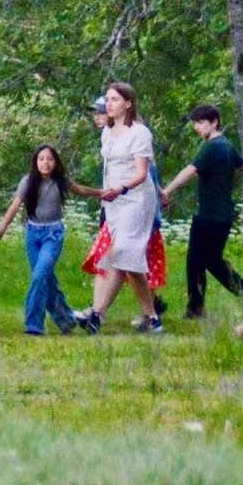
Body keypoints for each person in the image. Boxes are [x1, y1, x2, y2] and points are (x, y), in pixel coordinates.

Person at [74, 82, 162, 334]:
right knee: (126, 259)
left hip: (136, 200)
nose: (109, 104)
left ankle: (97, 314)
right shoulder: (107, 131)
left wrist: (121, 188)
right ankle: (152, 318)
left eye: (115, 99)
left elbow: (142, 173)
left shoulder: (140, 133)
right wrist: (105, 193)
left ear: (128, 103)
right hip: (113, 202)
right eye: (108, 99)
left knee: (123, 251)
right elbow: (108, 168)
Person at [158, 104, 243, 319]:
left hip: (210, 215)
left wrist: (167, 191)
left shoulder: (212, 146)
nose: (196, 127)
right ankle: (200, 306)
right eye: (195, 123)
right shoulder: (227, 145)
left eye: (201, 122)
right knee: (204, 259)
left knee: (201, 260)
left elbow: (190, 171)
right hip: (222, 214)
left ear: (214, 122)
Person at [0, 145, 95, 335]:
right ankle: (67, 320)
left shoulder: (60, 181)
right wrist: (1, 230)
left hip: (53, 235)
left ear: (56, 162)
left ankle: (33, 326)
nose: (45, 163)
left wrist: (102, 193)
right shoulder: (28, 181)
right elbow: (14, 206)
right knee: (46, 279)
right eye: (41, 159)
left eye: (50, 159)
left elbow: (80, 190)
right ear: (36, 162)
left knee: (39, 276)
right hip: (33, 234)